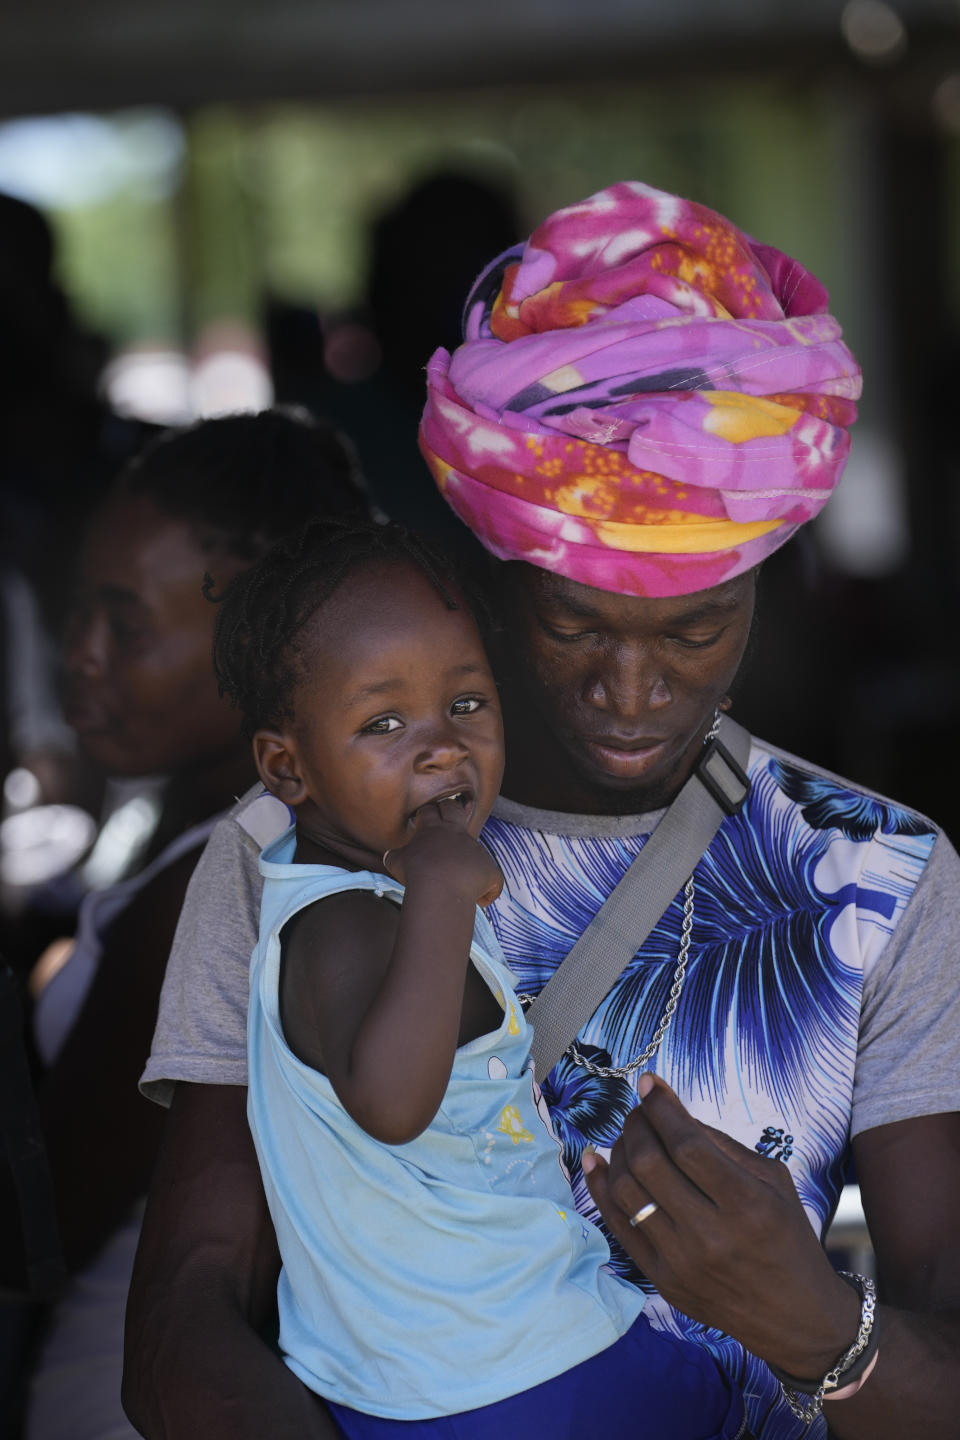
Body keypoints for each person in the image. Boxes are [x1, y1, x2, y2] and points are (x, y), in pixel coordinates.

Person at [125, 183, 960, 1440]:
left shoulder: (876, 875)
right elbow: (184, 1320)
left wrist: (817, 1329)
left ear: (763, 586)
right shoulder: (292, 853)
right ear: (490, 573)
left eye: (696, 629)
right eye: (574, 624)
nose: (631, 691)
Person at [209, 516, 744, 1439]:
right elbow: (387, 1098)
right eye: (383, 723)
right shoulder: (344, 923)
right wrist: (444, 895)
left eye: (466, 706)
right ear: (285, 768)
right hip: (514, 1373)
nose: (441, 748)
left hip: (415, 1382)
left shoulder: (342, 888)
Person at [18, 409, 369, 1440]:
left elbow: (32, 1233)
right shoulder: (225, 823)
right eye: (79, 610)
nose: (79, 655)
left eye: (127, 625)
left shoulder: (216, 885)